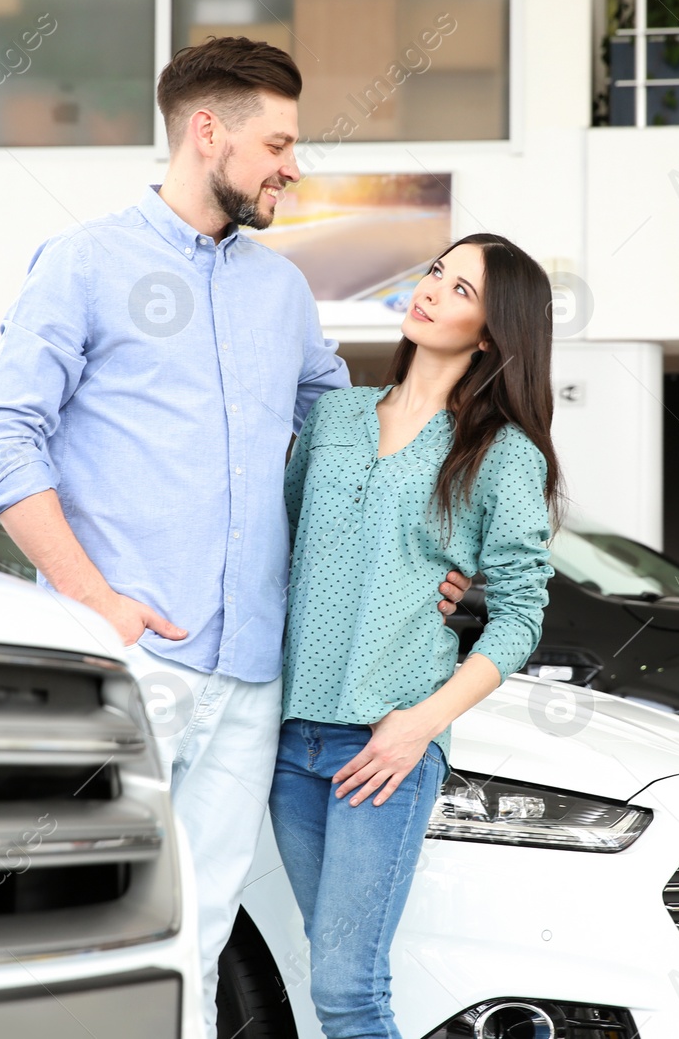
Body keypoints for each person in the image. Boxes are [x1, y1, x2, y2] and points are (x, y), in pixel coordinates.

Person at [0, 37, 468, 1039]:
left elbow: (354, 446)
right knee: (82, 930)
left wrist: (428, 551)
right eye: (278, 142)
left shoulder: (279, 293)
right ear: (207, 130)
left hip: (248, 671)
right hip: (130, 657)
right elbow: (1, 437)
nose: (292, 165)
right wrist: (95, 602)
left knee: (196, 931)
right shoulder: (87, 262)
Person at [272, 234, 561, 1039]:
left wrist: (418, 725)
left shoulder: (503, 456)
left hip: (384, 747)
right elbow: (284, 553)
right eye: (438, 271)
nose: (433, 289)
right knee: (334, 974)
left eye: (462, 289)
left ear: (494, 333)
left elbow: (521, 617)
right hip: (289, 746)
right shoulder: (333, 416)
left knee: (347, 989)